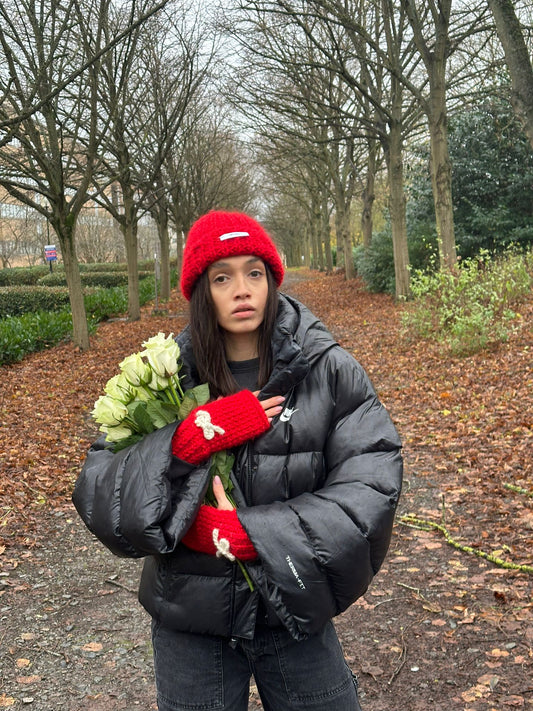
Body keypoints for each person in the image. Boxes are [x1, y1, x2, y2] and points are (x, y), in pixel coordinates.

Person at [73, 210, 403, 711]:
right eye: (222, 277)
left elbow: (370, 486)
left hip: (292, 609)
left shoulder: (325, 368)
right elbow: (101, 493)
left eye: (254, 272)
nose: (241, 289)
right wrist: (185, 441)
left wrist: (252, 537)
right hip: (191, 619)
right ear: (201, 290)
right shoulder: (163, 376)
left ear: (271, 279)